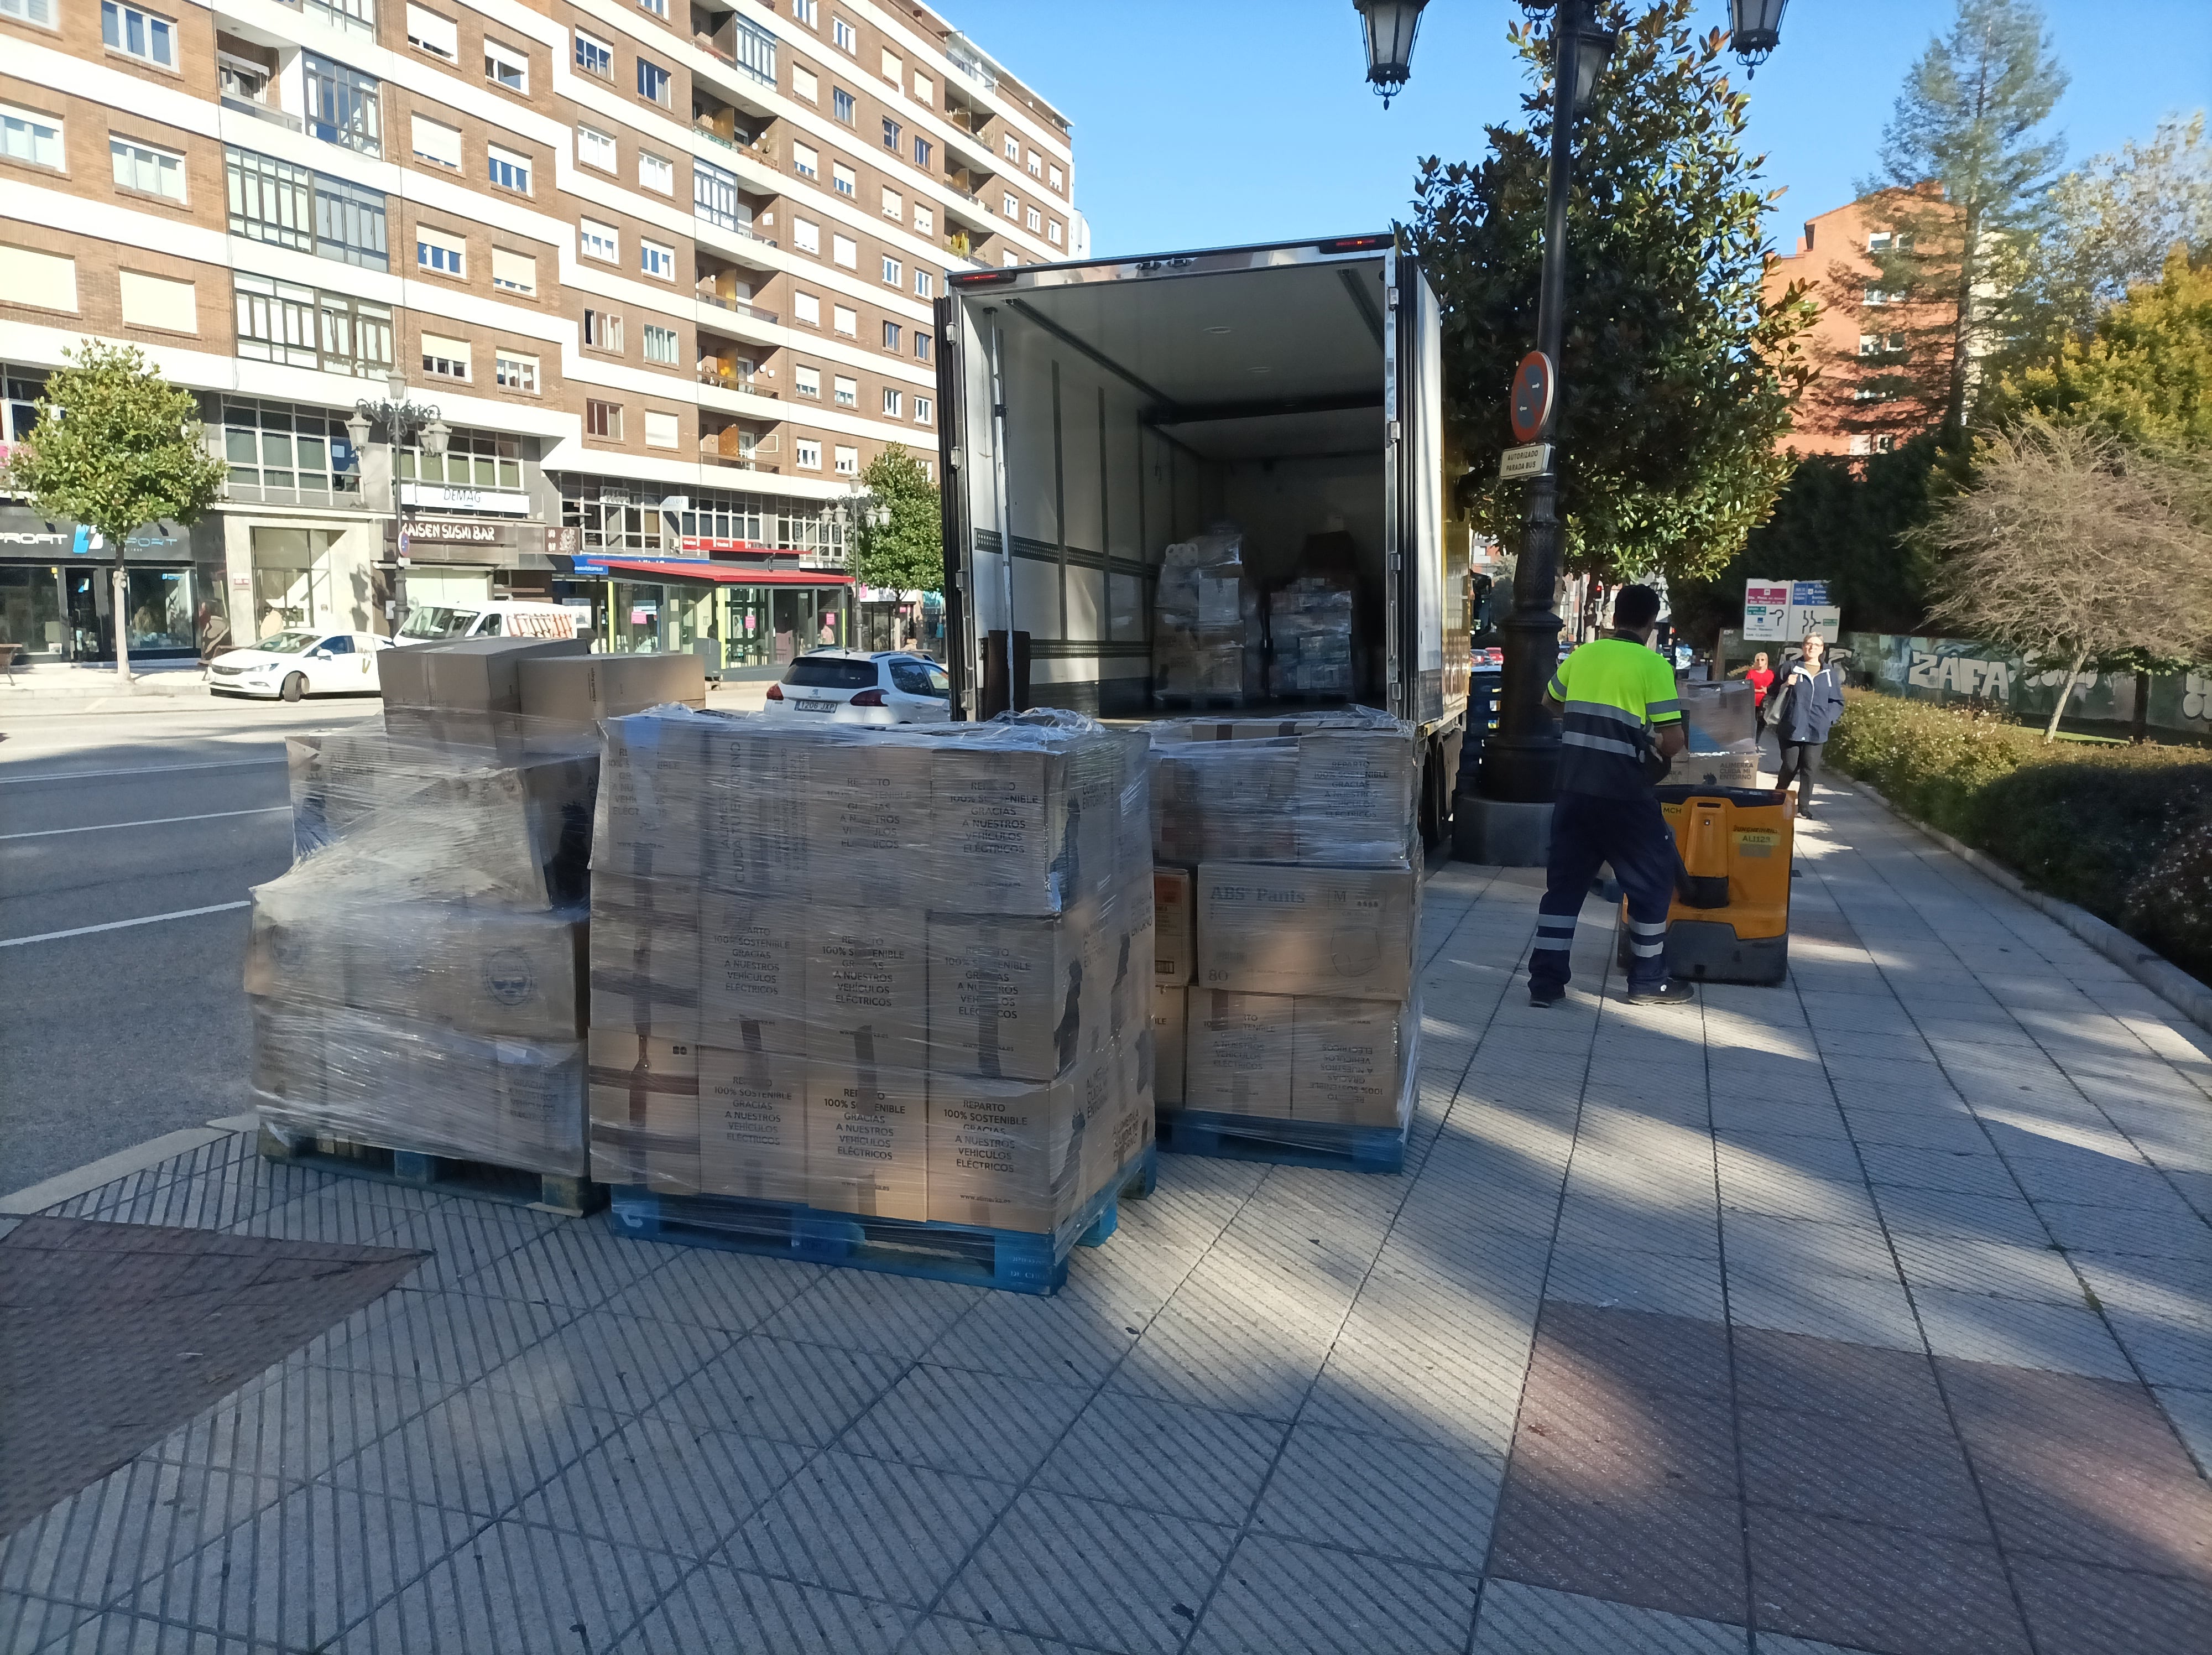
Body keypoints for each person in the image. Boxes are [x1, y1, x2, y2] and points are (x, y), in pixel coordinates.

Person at [1529, 584, 1694, 1009]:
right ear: (1650, 623)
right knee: (1654, 878)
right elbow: (1673, 740)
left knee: (1564, 887)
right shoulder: (1652, 665)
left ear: (1615, 616)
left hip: (1572, 788)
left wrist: (1590, 722)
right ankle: (1648, 981)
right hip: (1623, 793)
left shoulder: (1582, 655)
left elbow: (1550, 702)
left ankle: (1545, 983)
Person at [1772, 633, 1846, 818]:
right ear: (1803, 647)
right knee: (1790, 766)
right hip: (1792, 727)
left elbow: (1837, 701)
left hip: (1816, 729)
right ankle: (1776, 798)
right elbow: (1771, 690)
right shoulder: (1791, 667)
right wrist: (1785, 685)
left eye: (1816, 645)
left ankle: (1803, 808)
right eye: (1808, 644)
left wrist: (1828, 718)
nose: (1812, 647)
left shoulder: (1829, 674)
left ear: (1822, 649)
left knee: (1809, 769)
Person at [1730, 650, 1776, 740]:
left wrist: (1767, 690)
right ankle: (1750, 740)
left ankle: (1757, 741)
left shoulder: (1770, 674)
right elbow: (1747, 686)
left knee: (1762, 722)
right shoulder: (1752, 673)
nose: (1760, 662)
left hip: (1765, 701)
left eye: (1762, 660)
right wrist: (1759, 690)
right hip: (1753, 700)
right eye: (1758, 660)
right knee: (1751, 722)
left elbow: (1774, 687)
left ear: (1766, 661)